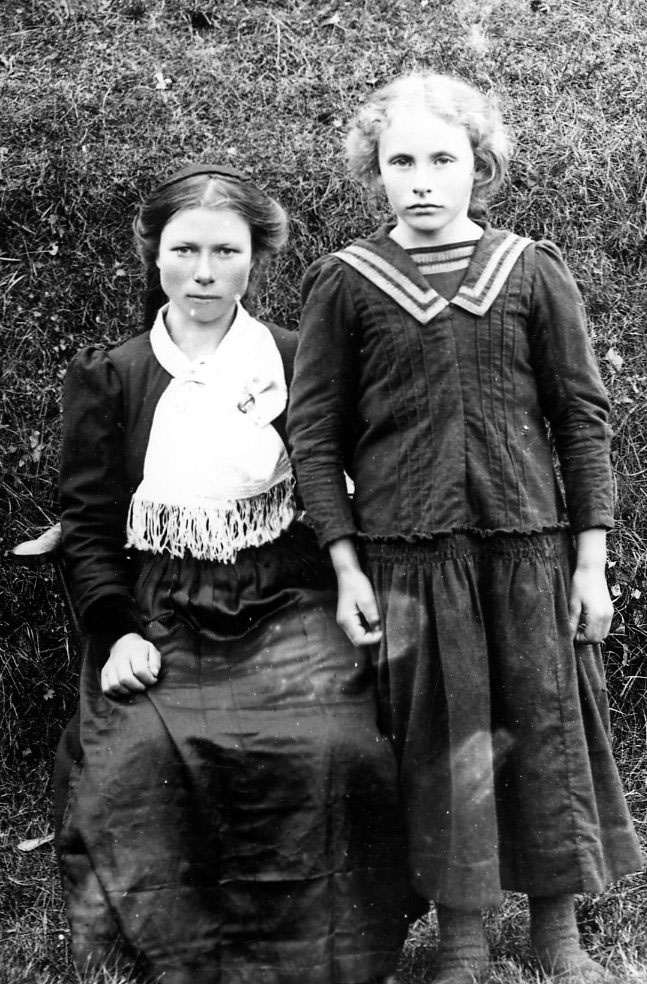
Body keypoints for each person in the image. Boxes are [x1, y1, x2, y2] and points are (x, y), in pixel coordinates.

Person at [287, 74, 643, 984]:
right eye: (400, 160)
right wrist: (347, 567)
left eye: (442, 159)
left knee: (545, 730)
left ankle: (558, 932)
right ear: (373, 170)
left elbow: (581, 420)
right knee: (443, 747)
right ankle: (462, 942)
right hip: (410, 562)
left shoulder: (529, 270)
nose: (421, 180)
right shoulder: (347, 282)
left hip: (528, 552)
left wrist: (591, 562)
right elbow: (314, 435)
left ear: (478, 166)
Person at [56, 162, 418, 984]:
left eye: (226, 251)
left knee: (337, 748)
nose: (204, 272)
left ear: (257, 257)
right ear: (155, 256)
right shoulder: (113, 373)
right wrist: (115, 635)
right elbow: (89, 527)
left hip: (288, 599)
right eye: (185, 250)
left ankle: (323, 950)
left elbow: (339, 483)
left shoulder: (295, 358)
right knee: (139, 753)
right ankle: (169, 951)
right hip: (163, 608)